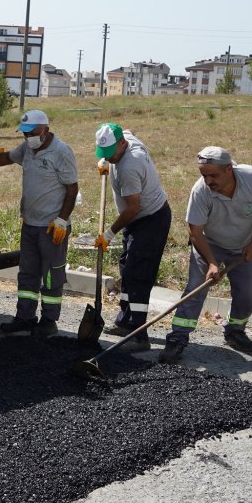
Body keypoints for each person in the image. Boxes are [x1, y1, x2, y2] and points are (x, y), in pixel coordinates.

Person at [159, 146, 252, 365]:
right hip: (209, 244)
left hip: (243, 247)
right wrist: (212, 263)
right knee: (196, 288)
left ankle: (235, 331)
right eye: (204, 175)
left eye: (213, 175)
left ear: (229, 169)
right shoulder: (201, 191)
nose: (208, 180)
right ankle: (177, 338)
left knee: (248, 294)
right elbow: (195, 230)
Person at [0, 109, 79, 337]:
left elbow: (72, 189)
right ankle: (25, 317)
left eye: (31, 133)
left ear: (46, 130)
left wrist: (62, 220)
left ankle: (49, 321)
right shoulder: (27, 149)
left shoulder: (61, 152)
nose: (27, 138)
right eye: (24, 134)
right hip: (30, 224)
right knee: (28, 273)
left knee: (51, 275)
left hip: (53, 228)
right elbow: (6, 158)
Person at [93, 123, 171, 344]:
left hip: (150, 219)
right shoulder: (126, 138)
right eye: (104, 154)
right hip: (137, 219)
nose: (109, 158)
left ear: (123, 144)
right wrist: (106, 161)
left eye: (111, 154)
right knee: (127, 269)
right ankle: (125, 322)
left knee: (139, 274)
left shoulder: (129, 166)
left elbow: (132, 208)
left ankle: (138, 332)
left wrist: (109, 233)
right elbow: (128, 129)